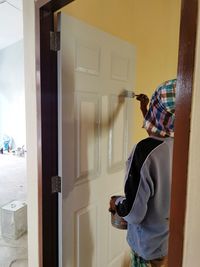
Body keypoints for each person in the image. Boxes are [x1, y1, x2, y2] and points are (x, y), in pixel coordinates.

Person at [109, 79, 176, 267]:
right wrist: (143, 108)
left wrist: (117, 203)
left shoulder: (144, 151)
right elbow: (159, 141)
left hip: (148, 249)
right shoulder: (184, 144)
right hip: (171, 244)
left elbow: (133, 213)